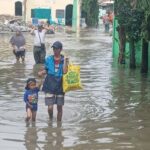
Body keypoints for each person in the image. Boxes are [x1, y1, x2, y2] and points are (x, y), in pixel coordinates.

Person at [38, 41, 69, 122]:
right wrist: (41, 72)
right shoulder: (48, 59)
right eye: (54, 48)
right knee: (50, 107)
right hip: (49, 83)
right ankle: (51, 119)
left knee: (59, 107)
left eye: (56, 48)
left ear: (61, 49)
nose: (55, 50)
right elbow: (46, 70)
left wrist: (65, 61)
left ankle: (59, 125)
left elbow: (65, 72)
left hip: (60, 84)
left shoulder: (64, 59)